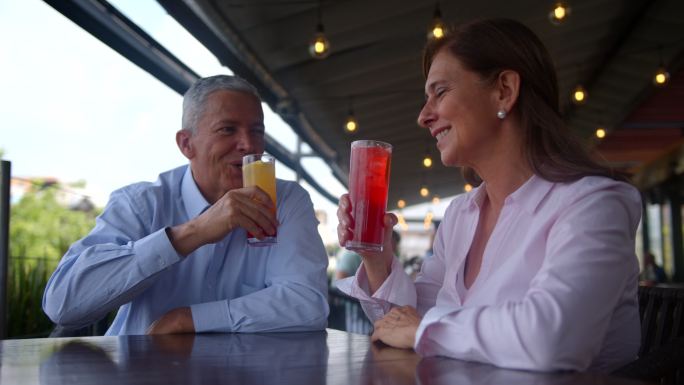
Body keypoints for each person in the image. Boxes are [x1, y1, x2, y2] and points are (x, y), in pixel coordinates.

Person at [335, 19, 642, 373]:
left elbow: (554, 338)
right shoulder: (461, 214)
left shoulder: (593, 204)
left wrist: (424, 329)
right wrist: (377, 258)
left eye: (440, 92)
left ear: (504, 91)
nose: (423, 116)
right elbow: (406, 326)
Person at [43, 75, 329, 335]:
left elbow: (307, 304)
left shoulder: (286, 201)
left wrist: (189, 319)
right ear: (186, 145)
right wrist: (192, 233)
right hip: (138, 371)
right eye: (227, 129)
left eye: (256, 131)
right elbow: (62, 304)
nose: (248, 144)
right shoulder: (141, 204)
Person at [334, 230, 401, 281]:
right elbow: (340, 279)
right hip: (344, 298)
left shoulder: (384, 262)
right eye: (391, 245)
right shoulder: (352, 256)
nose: (393, 250)